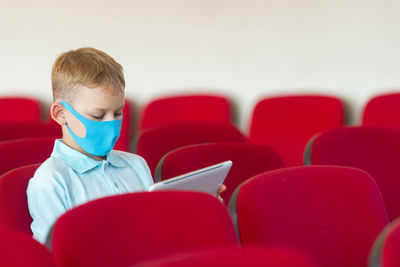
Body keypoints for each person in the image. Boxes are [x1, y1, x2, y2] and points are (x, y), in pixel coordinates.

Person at [27, 47, 225, 244]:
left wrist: (202, 209)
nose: (110, 123)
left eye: (118, 113)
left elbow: (157, 232)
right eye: (98, 115)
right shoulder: (51, 180)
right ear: (61, 114)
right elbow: (56, 255)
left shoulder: (136, 164)